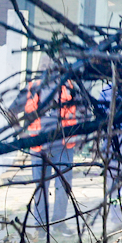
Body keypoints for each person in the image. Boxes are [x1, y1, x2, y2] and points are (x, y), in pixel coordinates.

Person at [24, 70, 76, 227]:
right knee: (41, 187)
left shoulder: (69, 85)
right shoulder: (34, 86)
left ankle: (59, 222)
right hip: (40, 146)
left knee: (63, 186)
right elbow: (26, 111)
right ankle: (40, 225)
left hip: (63, 145)